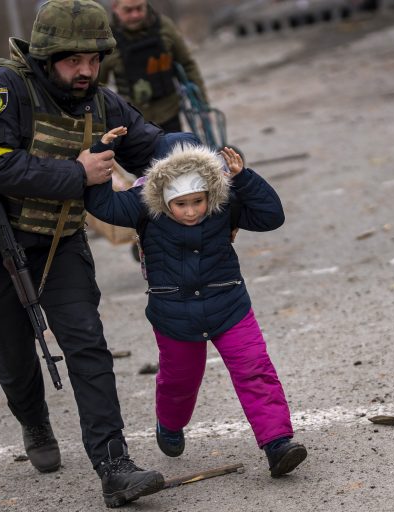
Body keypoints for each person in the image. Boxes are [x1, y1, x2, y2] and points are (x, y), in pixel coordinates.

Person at [0, 0, 166, 507]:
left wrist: (207, 162)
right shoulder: (0, 89)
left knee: (87, 344)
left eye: (94, 59)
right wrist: (77, 175)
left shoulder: (100, 102)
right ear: (47, 57)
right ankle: (34, 422)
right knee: (12, 355)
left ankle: (114, 465)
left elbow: (153, 145)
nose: (86, 70)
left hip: (60, 239)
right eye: (74, 60)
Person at [84, 140, 309, 478]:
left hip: (229, 306)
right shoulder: (143, 205)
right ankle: (170, 424)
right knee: (179, 381)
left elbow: (271, 216)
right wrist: (98, 158)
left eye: (197, 202)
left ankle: (277, 443)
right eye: (181, 204)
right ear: (164, 197)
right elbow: (104, 207)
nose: (190, 212)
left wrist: (244, 178)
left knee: (255, 369)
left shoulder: (224, 203)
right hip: (174, 315)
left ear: (209, 193)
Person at [99, 0, 208, 133]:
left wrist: (203, 108)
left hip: (170, 113)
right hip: (133, 120)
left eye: (139, 8)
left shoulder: (164, 26)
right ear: (115, 8)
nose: (135, 15)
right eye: (128, 10)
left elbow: (187, 65)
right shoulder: (107, 39)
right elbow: (98, 84)